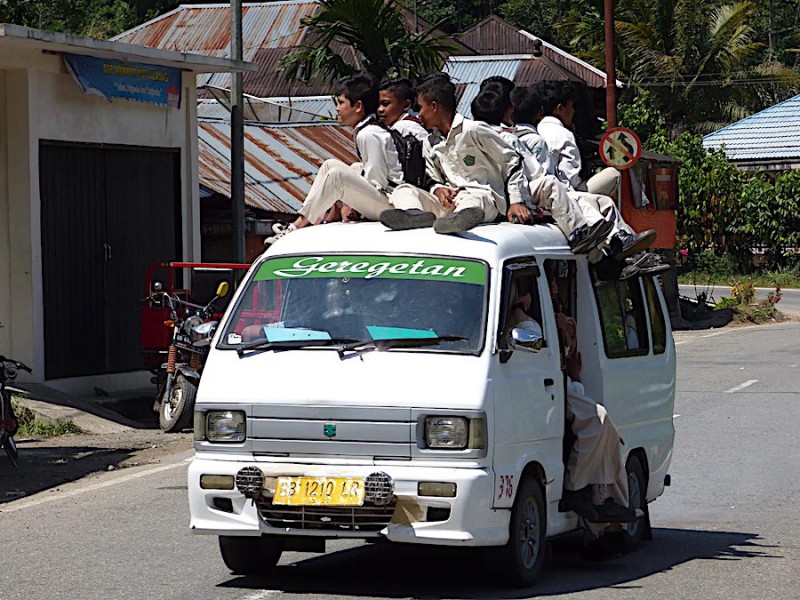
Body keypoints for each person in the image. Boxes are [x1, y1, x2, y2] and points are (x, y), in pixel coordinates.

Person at [516, 84, 658, 261]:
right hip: (557, 192)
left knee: (601, 201)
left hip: (551, 190)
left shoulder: (533, 131)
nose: (573, 112)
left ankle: (623, 242)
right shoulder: (561, 135)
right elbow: (569, 179)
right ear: (560, 109)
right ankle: (622, 244)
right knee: (611, 178)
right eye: (571, 107)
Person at [545, 270, 637, 534]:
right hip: (548, 390)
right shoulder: (527, 317)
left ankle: (603, 506)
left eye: (554, 283)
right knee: (598, 420)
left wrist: (566, 331)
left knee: (608, 434)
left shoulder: (562, 318)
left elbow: (571, 357)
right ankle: (580, 491)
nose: (553, 287)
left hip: (567, 386)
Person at [380, 73, 526, 234]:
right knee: (405, 189)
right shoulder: (430, 142)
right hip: (449, 204)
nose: (418, 115)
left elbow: (512, 159)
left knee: (475, 199)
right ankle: (415, 215)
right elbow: (433, 178)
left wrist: (516, 201)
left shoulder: (473, 130)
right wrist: (438, 189)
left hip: (484, 199)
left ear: (434, 106)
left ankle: (458, 219)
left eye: (420, 108)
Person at [265, 72, 402, 244]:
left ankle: (297, 226)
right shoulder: (369, 129)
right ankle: (314, 219)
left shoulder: (369, 134)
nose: (337, 108)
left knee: (337, 175)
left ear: (358, 106)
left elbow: (378, 183)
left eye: (341, 103)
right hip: (385, 198)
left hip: (391, 205)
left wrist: (353, 203)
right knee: (331, 165)